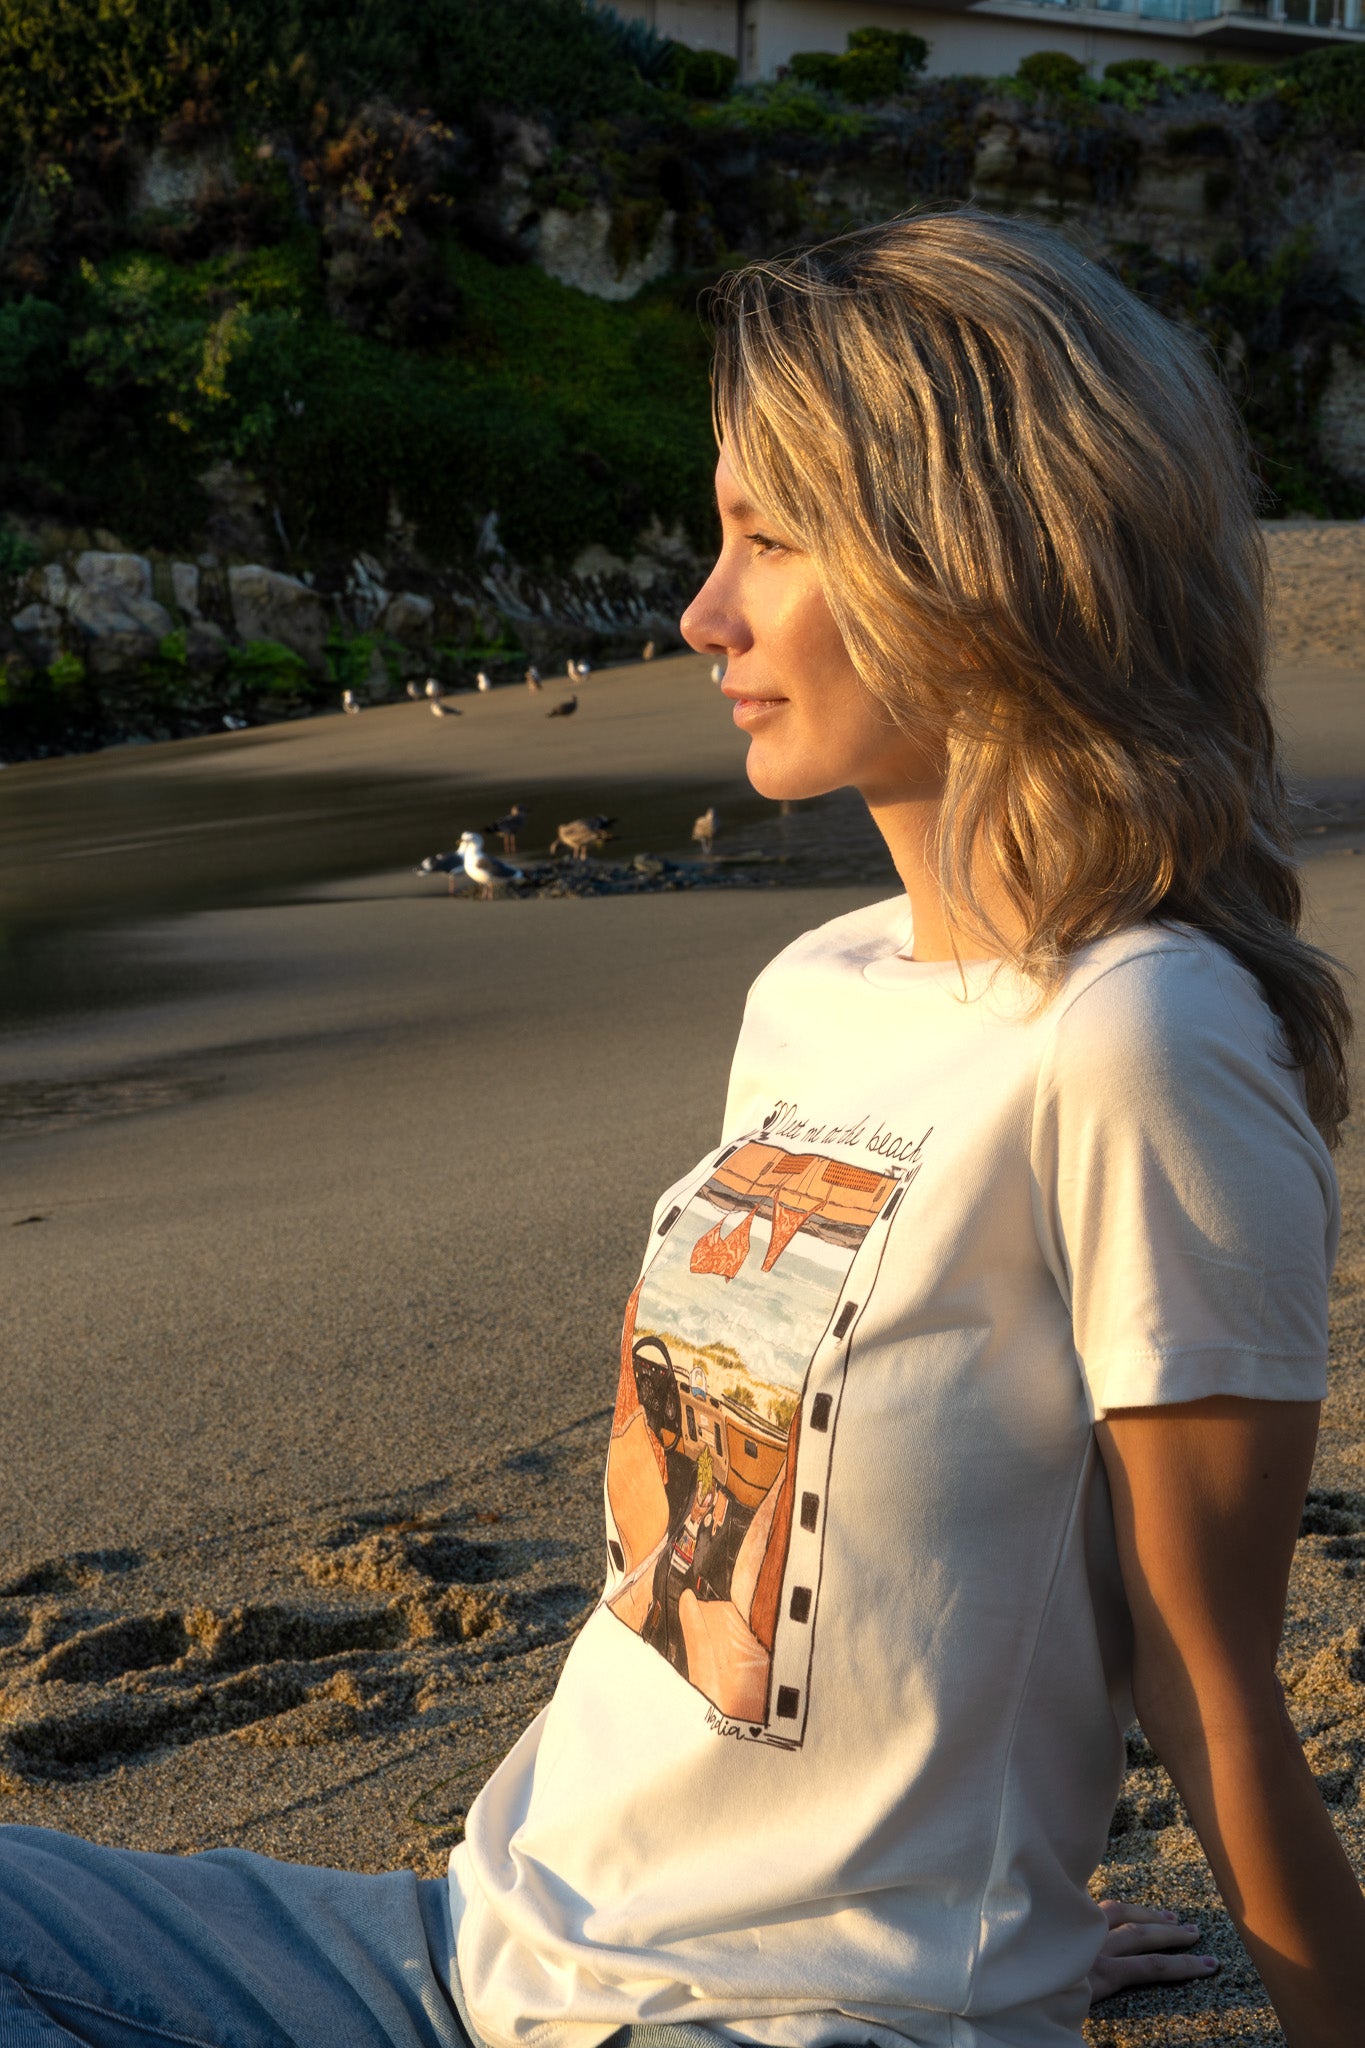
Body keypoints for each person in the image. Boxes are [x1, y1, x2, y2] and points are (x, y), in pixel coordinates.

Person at [1, 209, 1361, 2048]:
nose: (699, 612)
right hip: (479, 1952)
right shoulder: (816, 987)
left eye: (765, 539)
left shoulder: (1142, 1039)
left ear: (974, 563)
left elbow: (1212, 1689)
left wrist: (980, 1947)